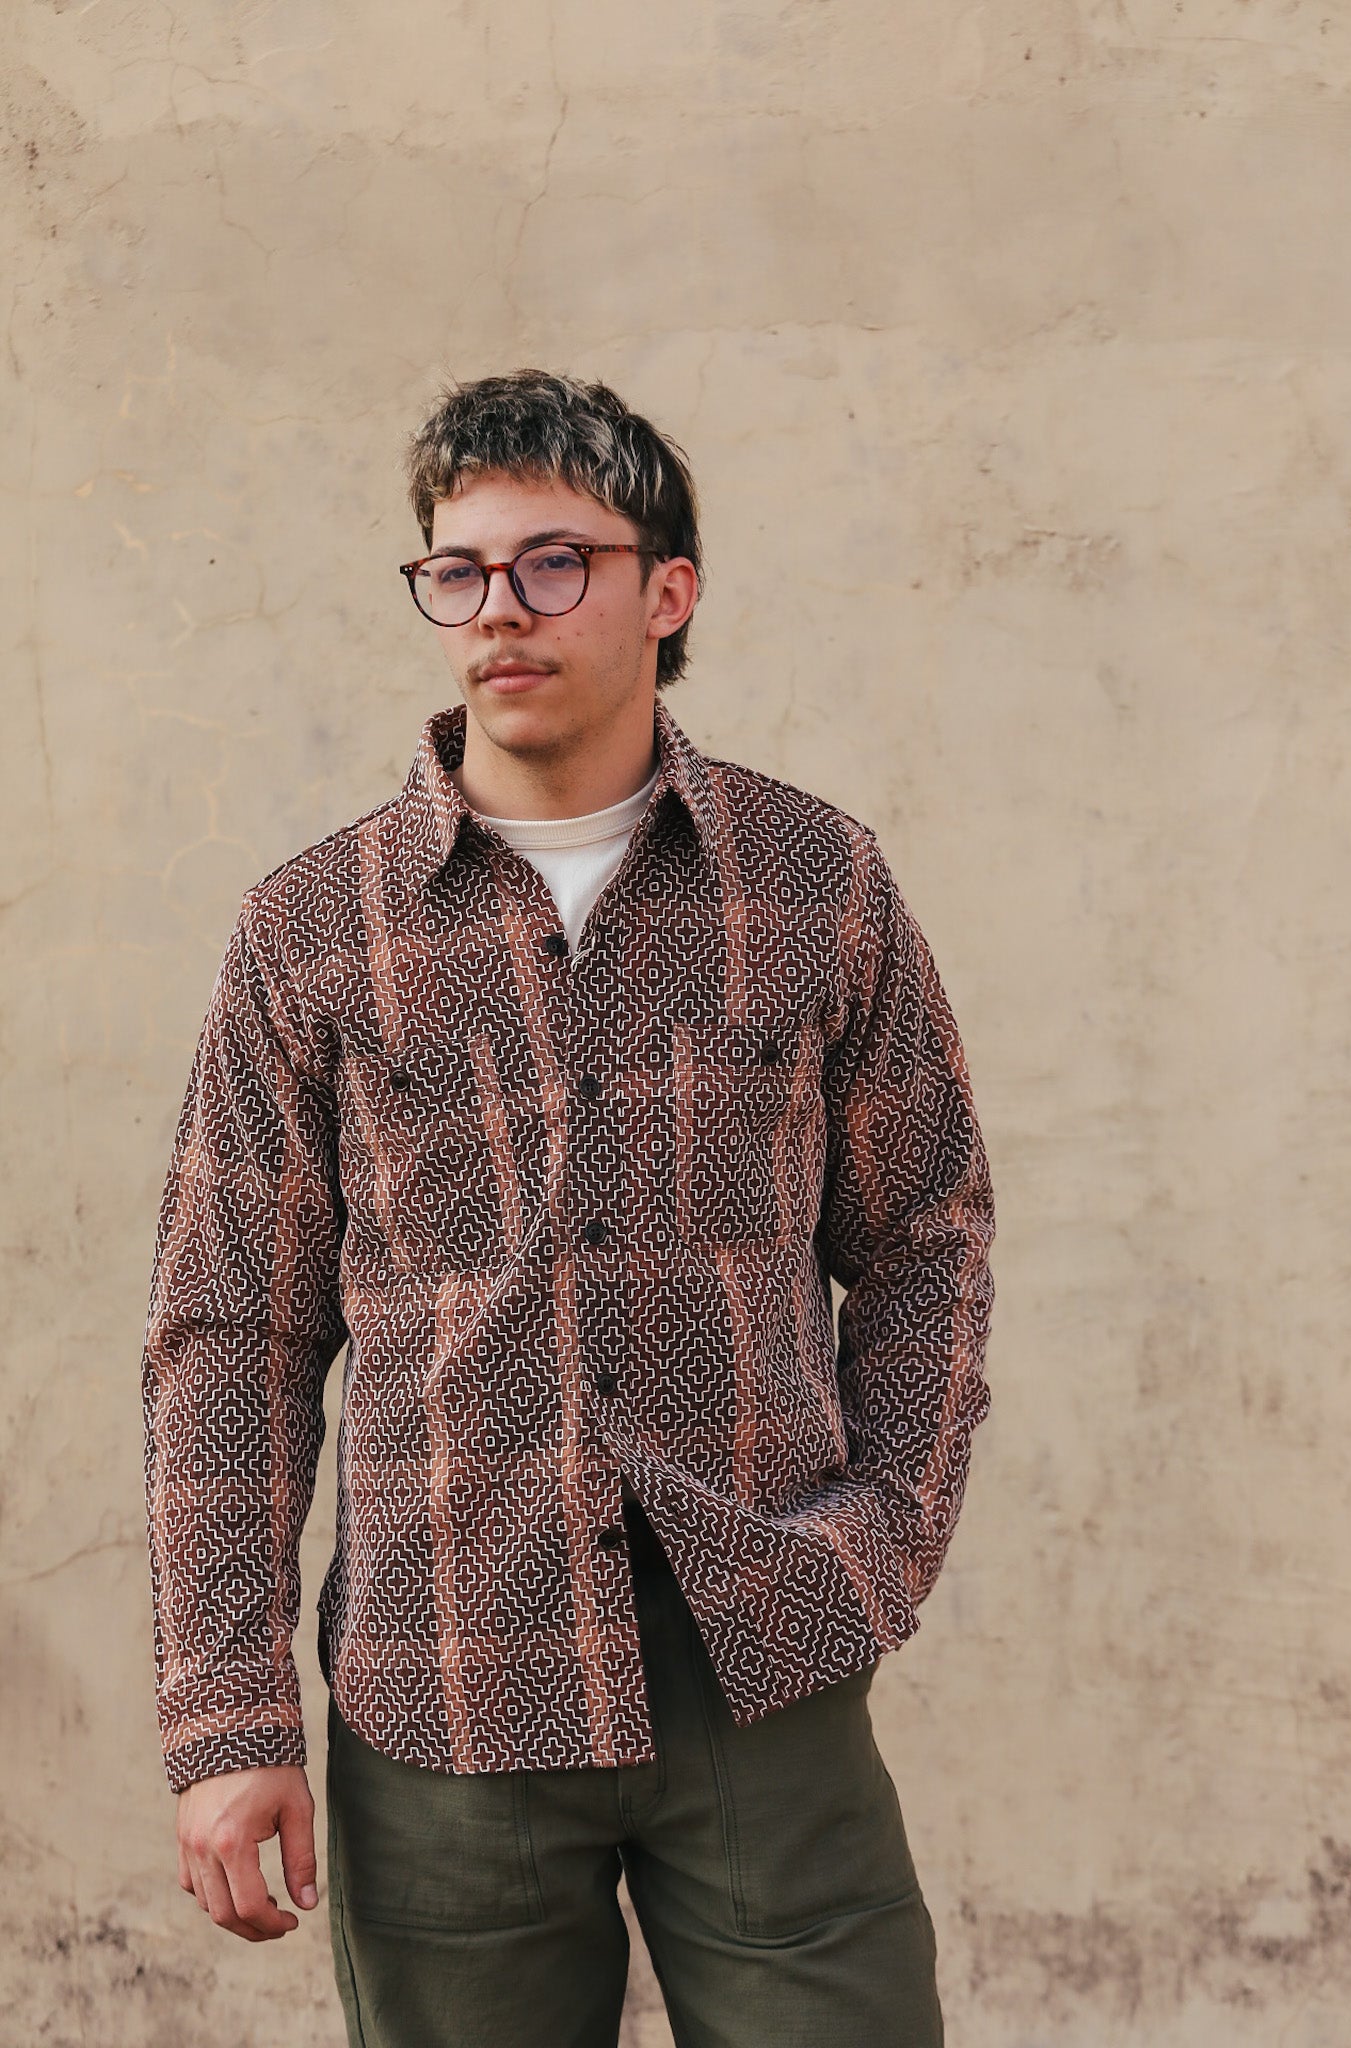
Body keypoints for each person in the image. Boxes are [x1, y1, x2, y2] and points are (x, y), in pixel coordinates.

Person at [140, 368, 996, 2047]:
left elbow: (925, 1241)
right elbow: (228, 1337)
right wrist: (228, 1713)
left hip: (763, 1657)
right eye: (456, 572)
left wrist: (880, 1535)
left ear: (665, 591)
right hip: (442, 1677)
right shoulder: (313, 932)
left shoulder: (815, 882)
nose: (495, 613)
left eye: (552, 564)